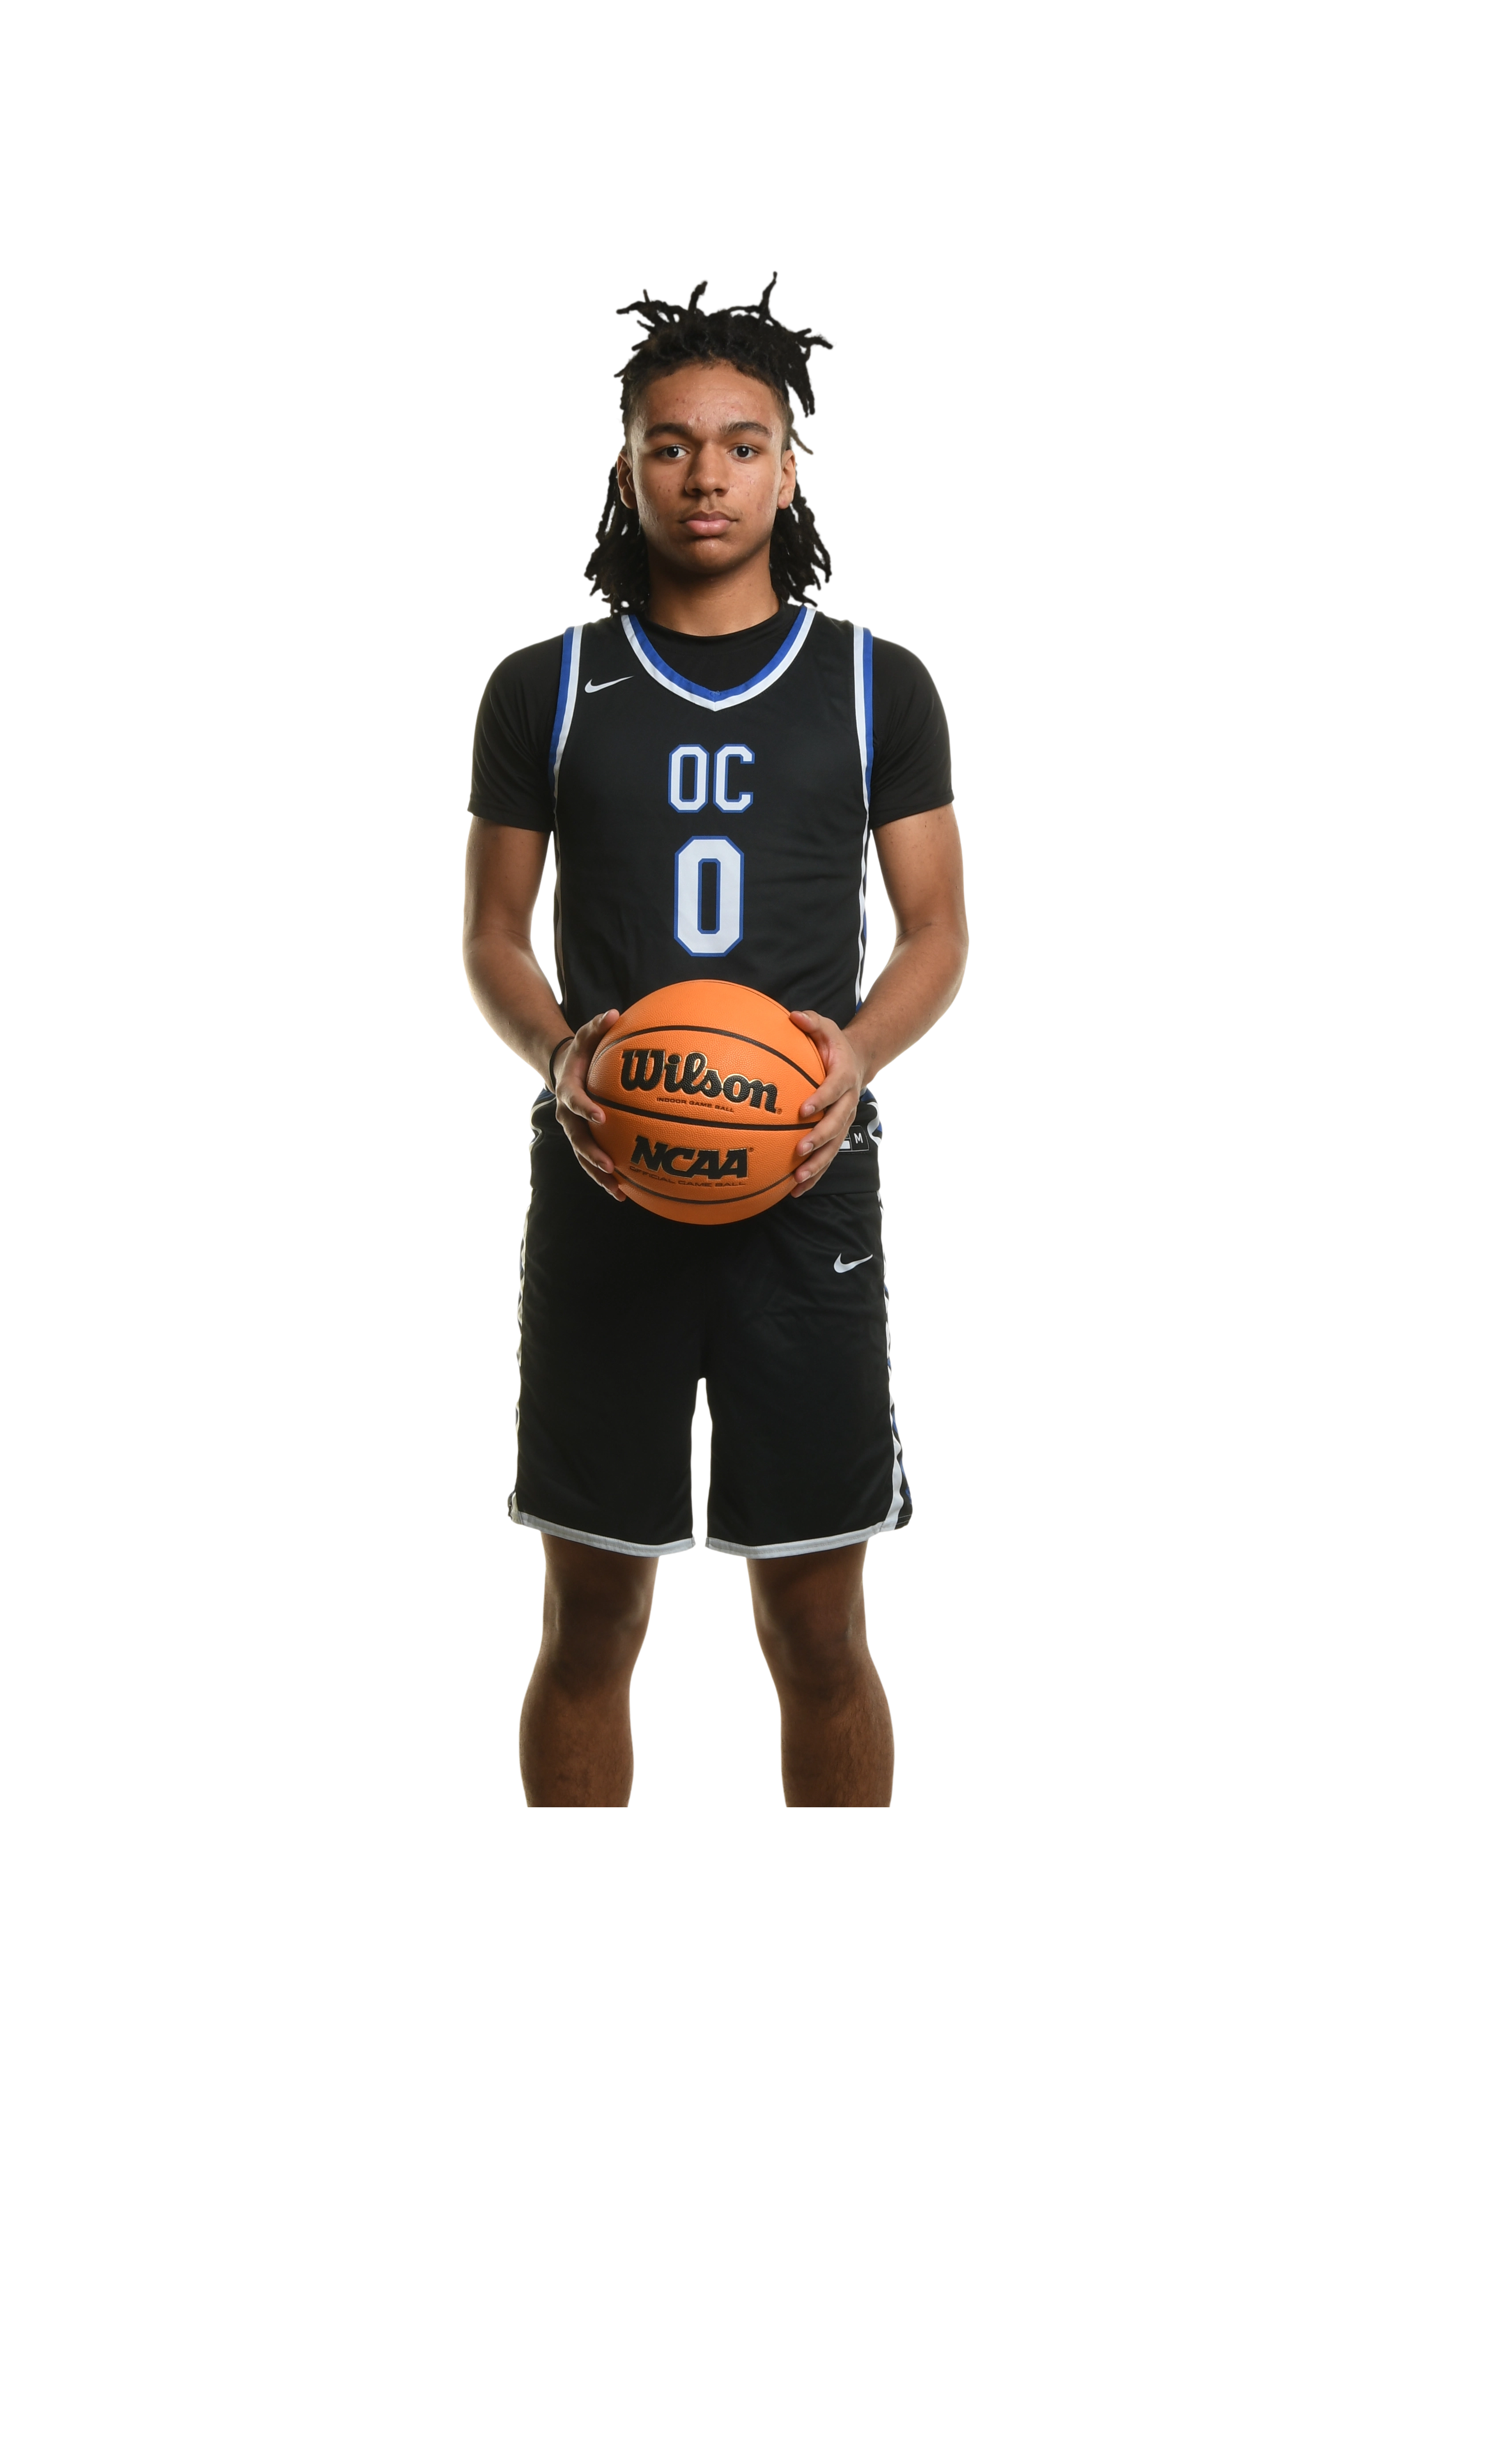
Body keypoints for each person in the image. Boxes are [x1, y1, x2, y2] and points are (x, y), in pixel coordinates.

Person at [463, 273, 968, 1807]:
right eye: (671, 444)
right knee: (589, 1619)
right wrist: (562, 1059)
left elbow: (937, 933)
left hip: (802, 1192)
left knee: (819, 1626)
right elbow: (493, 936)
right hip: (606, 1183)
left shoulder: (876, 685)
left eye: (743, 445)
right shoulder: (545, 690)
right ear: (626, 471)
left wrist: (852, 1062)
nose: (707, 474)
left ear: (788, 470)